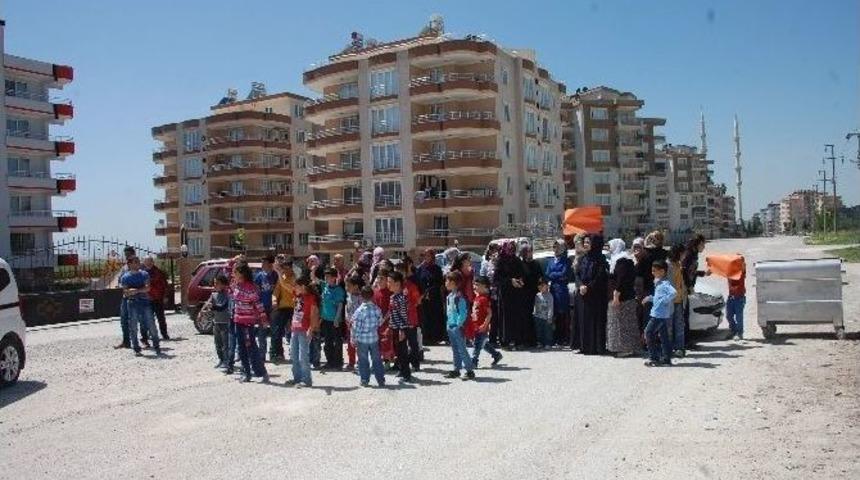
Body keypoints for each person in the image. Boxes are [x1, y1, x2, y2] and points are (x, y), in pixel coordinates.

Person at [231, 263, 269, 383]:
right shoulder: (236, 286)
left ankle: (261, 372)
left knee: (251, 347)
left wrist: (263, 318)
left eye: (235, 273)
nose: (233, 275)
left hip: (247, 322)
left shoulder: (250, 288)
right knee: (241, 348)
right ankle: (246, 373)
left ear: (241, 274)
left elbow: (258, 304)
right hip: (238, 320)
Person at [120, 256, 161, 356]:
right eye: (135, 262)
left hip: (145, 302)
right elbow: (126, 292)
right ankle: (136, 347)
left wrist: (136, 290)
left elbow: (147, 288)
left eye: (138, 262)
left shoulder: (144, 274)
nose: (138, 264)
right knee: (133, 325)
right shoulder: (125, 277)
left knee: (151, 323)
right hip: (132, 303)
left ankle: (156, 345)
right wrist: (134, 291)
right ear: (130, 264)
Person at [576, 235, 609, 355]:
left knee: (595, 320)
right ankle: (583, 346)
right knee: (583, 319)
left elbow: (600, 277)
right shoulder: (582, 258)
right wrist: (580, 286)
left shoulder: (601, 259)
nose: (585, 244)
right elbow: (577, 274)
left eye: (588, 242)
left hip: (595, 295)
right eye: (584, 242)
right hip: (582, 294)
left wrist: (588, 287)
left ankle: (595, 347)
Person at [606, 239, 639, 357]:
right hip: (624, 297)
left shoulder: (622, 261)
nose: (610, 249)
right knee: (622, 323)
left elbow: (621, 280)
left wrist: (616, 295)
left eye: (611, 246)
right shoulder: (621, 259)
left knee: (622, 324)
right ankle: (625, 347)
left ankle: (626, 349)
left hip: (622, 298)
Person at [643, 259, 676, 367]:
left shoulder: (665, 283)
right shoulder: (658, 283)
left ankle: (654, 357)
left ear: (662, 271)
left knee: (648, 332)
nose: (652, 273)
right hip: (659, 313)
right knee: (663, 336)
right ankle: (666, 358)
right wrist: (649, 298)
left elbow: (673, 293)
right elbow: (658, 297)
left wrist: (664, 301)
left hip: (659, 315)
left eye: (654, 271)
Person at [351, 286, 386, 387]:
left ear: (361, 297)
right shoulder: (377, 309)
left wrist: (354, 338)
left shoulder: (359, 311)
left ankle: (365, 379)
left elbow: (356, 327)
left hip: (362, 339)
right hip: (374, 338)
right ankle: (380, 379)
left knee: (363, 360)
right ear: (372, 296)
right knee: (377, 359)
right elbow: (380, 322)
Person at [288, 276, 320, 387]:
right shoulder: (297, 295)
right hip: (294, 329)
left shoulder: (311, 298)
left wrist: (311, 330)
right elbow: (285, 285)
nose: (294, 287)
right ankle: (297, 378)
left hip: (304, 330)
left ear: (302, 287)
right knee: (294, 355)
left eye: (296, 286)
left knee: (303, 356)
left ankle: (306, 380)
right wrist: (278, 272)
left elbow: (313, 315)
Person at [444, 271, 475, 380]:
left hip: (458, 327)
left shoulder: (459, 296)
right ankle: (456, 369)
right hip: (450, 326)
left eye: (448, 281)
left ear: (454, 283)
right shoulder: (449, 296)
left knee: (462, 349)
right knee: (455, 349)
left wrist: (458, 325)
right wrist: (448, 324)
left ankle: (469, 370)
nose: (446, 283)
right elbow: (449, 312)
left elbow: (463, 313)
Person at [494, 240, 525, 348]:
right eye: (509, 248)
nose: (511, 250)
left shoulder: (516, 260)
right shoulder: (500, 261)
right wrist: (510, 281)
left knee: (517, 316)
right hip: (505, 293)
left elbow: (522, 273)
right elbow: (496, 279)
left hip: (516, 293)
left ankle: (517, 340)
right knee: (505, 317)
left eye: (513, 248)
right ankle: (505, 341)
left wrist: (520, 280)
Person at [682, 234, 710, 348]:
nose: (704, 247)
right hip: (683, 288)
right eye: (703, 244)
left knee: (685, 314)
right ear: (698, 244)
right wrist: (689, 286)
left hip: (686, 287)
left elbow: (691, 272)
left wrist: (703, 273)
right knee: (684, 315)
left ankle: (686, 341)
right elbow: (683, 271)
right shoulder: (689, 255)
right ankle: (685, 342)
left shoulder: (693, 254)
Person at [395, 260, 422, 371]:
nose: (399, 274)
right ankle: (401, 365)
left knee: (412, 342)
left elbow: (417, 301)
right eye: (397, 272)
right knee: (400, 343)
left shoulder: (411, 286)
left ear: (406, 273)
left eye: (401, 272)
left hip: (410, 318)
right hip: (398, 319)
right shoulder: (395, 287)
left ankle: (415, 364)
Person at [471, 275, 503, 367]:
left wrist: (485, 325)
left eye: (477, 285)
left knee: (477, 344)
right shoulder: (476, 298)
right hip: (475, 325)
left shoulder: (484, 299)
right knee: (483, 343)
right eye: (474, 284)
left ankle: (474, 361)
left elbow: (489, 313)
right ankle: (496, 355)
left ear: (485, 286)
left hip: (482, 327)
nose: (475, 287)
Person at [545, 240, 572, 347]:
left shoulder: (566, 260)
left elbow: (564, 273)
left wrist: (553, 274)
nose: (555, 249)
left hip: (562, 290)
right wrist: (556, 275)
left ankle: (562, 338)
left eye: (557, 247)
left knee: (562, 315)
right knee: (553, 315)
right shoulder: (551, 261)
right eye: (553, 247)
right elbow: (547, 273)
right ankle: (554, 338)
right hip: (552, 290)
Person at [416, 249, 445, 345]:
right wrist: (423, 293)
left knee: (434, 317)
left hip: (434, 296)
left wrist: (431, 291)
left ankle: (435, 338)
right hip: (423, 297)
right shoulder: (421, 268)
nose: (427, 258)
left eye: (429, 256)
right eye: (425, 256)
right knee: (425, 317)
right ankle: (425, 337)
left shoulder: (437, 268)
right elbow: (418, 281)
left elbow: (440, 283)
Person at [201, 274, 231, 368]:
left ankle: (227, 361)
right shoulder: (213, 295)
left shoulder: (227, 295)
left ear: (223, 284)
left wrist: (212, 307)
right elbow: (208, 305)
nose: (215, 285)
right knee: (217, 343)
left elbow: (222, 307)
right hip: (216, 322)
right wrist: (203, 312)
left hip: (225, 323)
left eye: (217, 283)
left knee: (226, 344)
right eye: (214, 283)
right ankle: (221, 359)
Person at [387, 271, 412, 381]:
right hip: (394, 327)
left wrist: (402, 329)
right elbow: (391, 311)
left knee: (403, 352)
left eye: (390, 282)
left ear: (397, 284)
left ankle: (406, 374)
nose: (388, 284)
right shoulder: (393, 297)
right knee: (397, 351)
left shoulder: (401, 298)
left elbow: (404, 314)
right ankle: (401, 370)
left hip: (401, 328)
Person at [270, 257, 296, 362]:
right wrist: (274, 300)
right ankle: (277, 353)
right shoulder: (282, 277)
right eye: (283, 268)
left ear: (291, 268)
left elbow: (289, 288)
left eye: (286, 268)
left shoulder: (295, 277)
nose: (284, 270)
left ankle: (295, 353)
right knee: (277, 330)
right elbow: (276, 292)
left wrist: (280, 275)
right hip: (283, 307)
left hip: (295, 307)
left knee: (296, 332)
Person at [320, 267, 346, 369]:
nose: (326, 278)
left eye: (329, 277)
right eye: (325, 276)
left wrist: (337, 318)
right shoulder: (325, 287)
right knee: (327, 342)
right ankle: (329, 361)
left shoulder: (339, 290)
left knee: (337, 342)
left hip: (335, 320)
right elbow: (314, 278)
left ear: (334, 278)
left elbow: (340, 305)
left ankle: (338, 362)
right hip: (326, 319)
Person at [254, 256, 278, 361]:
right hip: (262, 308)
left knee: (274, 331)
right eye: (262, 262)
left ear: (270, 264)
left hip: (273, 307)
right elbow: (257, 291)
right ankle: (261, 354)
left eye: (264, 262)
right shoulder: (259, 276)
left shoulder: (275, 275)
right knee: (261, 332)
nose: (262, 264)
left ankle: (273, 354)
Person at [113, 245, 138, 349]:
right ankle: (126, 342)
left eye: (129, 254)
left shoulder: (139, 267)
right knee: (124, 320)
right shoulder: (124, 268)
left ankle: (144, 340)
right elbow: (120, 280)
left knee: (139, 319)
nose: (127, 256)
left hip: (137, 296)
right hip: (125, 296)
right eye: (126, 254)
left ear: (133, 254)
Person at [519, 244, 542, 347]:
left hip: (535, 294)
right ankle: (525, 340)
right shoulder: (520, 264)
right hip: (523, 294)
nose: (530, 253)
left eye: (531, 251)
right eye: (527, 251)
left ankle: (534, 339)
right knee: (525, 317)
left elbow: (540, 277)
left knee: (535, 316)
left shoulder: (536, 264)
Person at [667, 245, 688, 357]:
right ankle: (668, 348)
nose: (684, 256)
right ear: (678, 253)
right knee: (669, 326)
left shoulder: (678, 264)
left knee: (679, 325)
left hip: (679, 300)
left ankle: (680, 348)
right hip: (670, 301)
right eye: (683, 253)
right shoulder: (668, 265)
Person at [142, 256, 170, 340]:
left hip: (158, 298)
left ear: (153, 262)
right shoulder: (142, 273)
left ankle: (164, 334)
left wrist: (165, 296)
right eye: (146, 262)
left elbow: (165, 285)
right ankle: (147, 335)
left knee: (161, 318)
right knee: (147, 318)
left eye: (150, 261)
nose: (148, 263)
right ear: (144, 263)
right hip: (147, 299)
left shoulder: (159, 272)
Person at [373, 268, 396, 366]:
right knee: (378, 341)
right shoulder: (375, 292)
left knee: (387, 340)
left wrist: (384, 318)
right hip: (378, 321)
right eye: (378, 278)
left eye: (382, 278)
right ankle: (382, 359)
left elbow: (392, 308)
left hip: (388, 321)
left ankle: (388, 360)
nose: (379, 280)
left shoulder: (390, 292)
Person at [569, 234, 587, 350]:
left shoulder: (586, 257)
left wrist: (581, 286)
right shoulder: (577, 256)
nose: (576, 245)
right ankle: (578, 343)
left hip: (584, 289)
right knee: (577, 318)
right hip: (577, 289)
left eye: (578, 243)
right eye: (575, 243)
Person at [344, 274, 364, 370]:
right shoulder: (348, 296)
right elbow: (347, 308)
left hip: (359, 326)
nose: (347, 288)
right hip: (349, 324)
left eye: (349, 286)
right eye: (346, 285)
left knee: (360, 345)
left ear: (356, 286)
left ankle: (361, 362)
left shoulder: (362, 298)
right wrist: (347, 319)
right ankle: (351, 362)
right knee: (350, 344)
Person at [725, 256, 747, 341]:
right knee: (729, 316)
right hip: (731, 298)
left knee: (739, 317)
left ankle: (739, 333)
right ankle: (733, 330)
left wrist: (740, 260)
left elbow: (743, 266)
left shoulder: (741, 272)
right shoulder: (730, 272)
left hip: (739, 298)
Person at [533, 277, 554, 349]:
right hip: (538, 316)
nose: (541, 287)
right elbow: (535, 305)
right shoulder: (537, 295)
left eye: (542, 285)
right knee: (539, 330)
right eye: (539, 286)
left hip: (546, 317)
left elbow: (551, 307)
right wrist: (534, 313)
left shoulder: (549, 296)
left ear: (547, 286)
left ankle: (548, 343)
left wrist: (549, 316)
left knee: (547, 331)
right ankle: (540, 342)